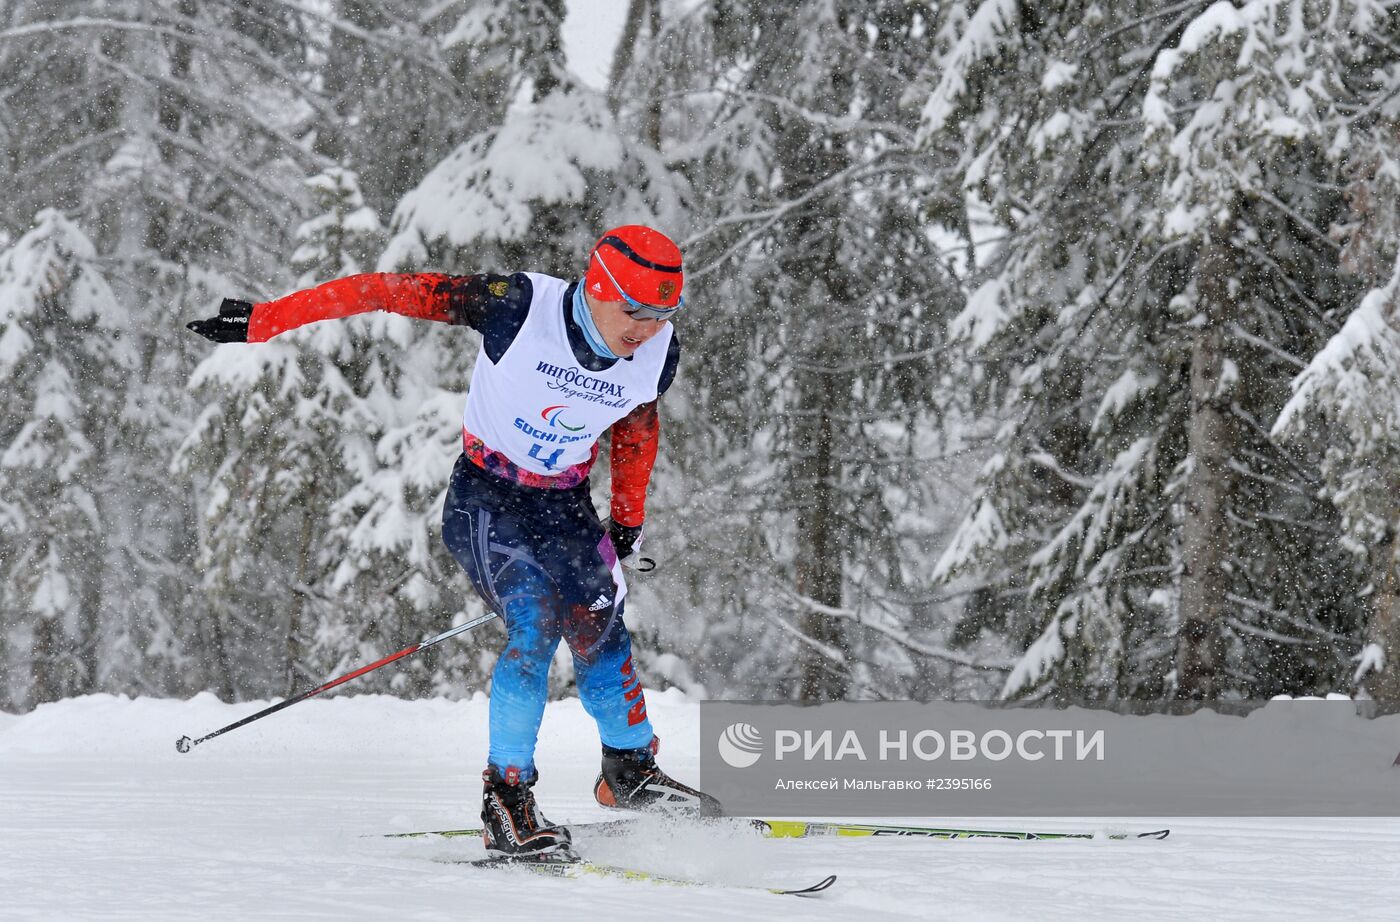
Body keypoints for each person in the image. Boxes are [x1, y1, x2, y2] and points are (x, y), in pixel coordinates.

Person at [188, 225, 720, 857]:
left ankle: (630, 773)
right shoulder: (518, 307)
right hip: (487, 499)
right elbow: (386, 290)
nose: (646, 329)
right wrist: (267, 320)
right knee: (535, 624)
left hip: (565, 505)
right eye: (634, 311)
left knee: (601, 629)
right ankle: (506, 800)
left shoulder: (658, 353)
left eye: (662, 314)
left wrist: (627, 519)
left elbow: (635, 426)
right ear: (598, 288)